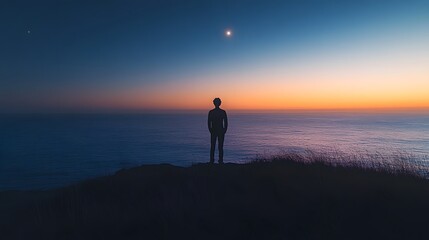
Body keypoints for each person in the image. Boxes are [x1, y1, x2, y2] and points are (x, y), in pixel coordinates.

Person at [208, 98, 228, 164]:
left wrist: (210, 130)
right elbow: (226, 122)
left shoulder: (212, 112)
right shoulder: (222, 112)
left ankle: (213, 160)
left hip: (216, 131)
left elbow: (209, 123)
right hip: (218, 131)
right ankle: (219, 161)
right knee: (219, 146)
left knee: (214, 146)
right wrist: (224, 130)